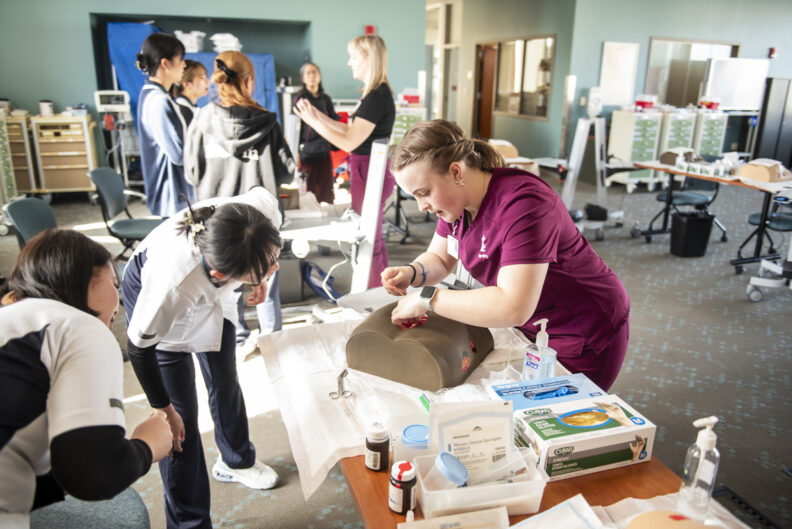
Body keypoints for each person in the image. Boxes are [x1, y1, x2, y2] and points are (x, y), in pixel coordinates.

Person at [381, 120, 630, 391]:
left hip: (582, 330)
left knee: (558, 410)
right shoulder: (456, 203)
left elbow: (513, 306)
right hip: (534, 326)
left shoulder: (524, 204)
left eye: (424, 193)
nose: (422, 207)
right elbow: (440, 259)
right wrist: (412, 272)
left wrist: (427, 298)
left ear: (455, 172)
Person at [121, 187, 283, 529]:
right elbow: (138, 349)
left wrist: (262, 276)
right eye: (265, 266)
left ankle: (235, 461)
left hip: (219, 282)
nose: (275, 265)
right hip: (154, 299)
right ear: (223, 275)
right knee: (180, 426)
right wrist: (164, 409)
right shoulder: (171, 284)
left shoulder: (256, 213)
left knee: (225, 379)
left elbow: (265, 248)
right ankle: (189, 524)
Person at [0, 229, 171, 527]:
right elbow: (97, 476)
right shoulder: (77, 327)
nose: (119, 299)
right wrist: (147, 445)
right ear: (84, 278)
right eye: (114, 283)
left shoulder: (17, 321)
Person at [185, 51, 295, 341]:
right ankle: (272, 341)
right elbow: (287, 173)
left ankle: (235, 339)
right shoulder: (267, 123)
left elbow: (192, 173)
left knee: (223, 293)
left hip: (218, 227)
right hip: (261, 225)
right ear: (249, 82)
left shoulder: (201, 121)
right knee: (265, 281)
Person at [294, 35, 396, 288]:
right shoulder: (373, 94)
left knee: (369, 239)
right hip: (367, 169)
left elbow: (349, 141)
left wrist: (313, 121)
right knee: (372, 237)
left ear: (369, 58)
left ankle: (374, 294)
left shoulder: (377, 96)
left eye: (354, 57)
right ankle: (382, 292)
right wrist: (318, 116)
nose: (350, 63)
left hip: (370, 171)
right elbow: (350, 129)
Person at [136, 32, 193, 217]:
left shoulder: (154, 95)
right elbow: (178, 154)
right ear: (165, 64)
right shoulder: (158, 101)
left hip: (172, 194)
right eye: (180, 59)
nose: (184, 65)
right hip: (171, 196)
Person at [293, 62, 340, 204]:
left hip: (324, 150)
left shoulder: (326, 99)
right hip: (307, 151)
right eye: (308, 73)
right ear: (303, 78)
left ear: (319, 76)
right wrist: (296, 153)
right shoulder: (300, 99)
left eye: (314, 72)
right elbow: (295, 126)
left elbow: (334, 120)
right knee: (308, 190)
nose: (312, 75)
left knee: (325, 189)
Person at [171, 59, 210, 128]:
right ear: (187, 84)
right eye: (202, 78)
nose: (207, 82)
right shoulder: (184, 113)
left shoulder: (190, 110)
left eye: (206, 77)